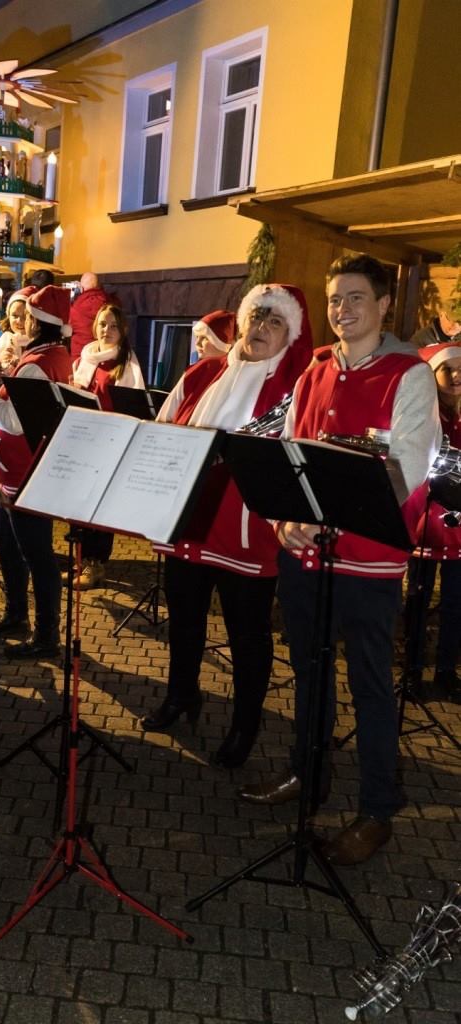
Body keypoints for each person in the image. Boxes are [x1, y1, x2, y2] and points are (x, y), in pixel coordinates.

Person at [238, 255, 441, 866]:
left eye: (355, 298)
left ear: (383, 305)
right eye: (334, 299)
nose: (342, 309)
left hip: (369, 563)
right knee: (309, 674)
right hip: (306, 558)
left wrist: (324, 514)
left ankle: (378, 808)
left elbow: (407, 467)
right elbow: (287, 452)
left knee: (371, 686)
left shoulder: (410, 374)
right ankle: (310, 775)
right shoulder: (316, 369)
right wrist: (282, 521)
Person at [141, 284, 314, 772]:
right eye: (256, 316)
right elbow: (161, 428)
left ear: (290, 335)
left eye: (274, 322)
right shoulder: (201, 373)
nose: (260, 328)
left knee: (247, 634)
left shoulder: (295, 389)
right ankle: (181, 695)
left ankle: (245, 725)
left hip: (247, 531)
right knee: (185, 619)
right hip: (188, 520)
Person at [0, 285, 73, 658]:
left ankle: (46, 635)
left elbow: (15, 422)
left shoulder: (36, 364)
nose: (24, 322)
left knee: (36, 555)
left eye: (29, 316)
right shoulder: (49, 356)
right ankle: (16, 612)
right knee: (5, 540)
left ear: (38, 321)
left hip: (25, 475)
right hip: (16, 476)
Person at [70, 303, 145, 589]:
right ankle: (80, 561)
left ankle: (96, 564)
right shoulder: (86, 357)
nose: (107, 330)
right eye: (103, 324)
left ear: (122, 330)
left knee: (99, 508)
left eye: (113, 325)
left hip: (110, 444)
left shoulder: (127, 364)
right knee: (79, 504)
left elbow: (134, 407)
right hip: (83, 442)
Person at [403, 342, 461, 702]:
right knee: (418, 600)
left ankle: (446, 670)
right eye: (447, 370)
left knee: (456, 603)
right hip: (425, 522)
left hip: (459, 526)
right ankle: (411, 670)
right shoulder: (424, 411)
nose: (455, 377)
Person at [69, 272, 111, 361]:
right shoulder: (110, 303)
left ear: (81, 288)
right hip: (104, 354)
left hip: (80, 357)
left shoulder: (75, 308)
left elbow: (67, 329)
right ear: (99, 286)